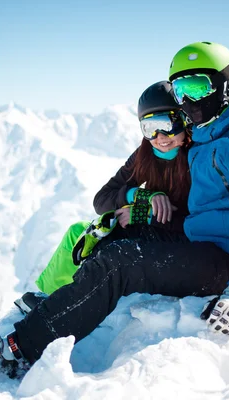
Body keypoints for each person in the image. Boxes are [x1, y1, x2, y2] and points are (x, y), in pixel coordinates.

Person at [0, 42, 229, 379]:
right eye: (181, 91)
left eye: (197, 86)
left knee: (122, 262)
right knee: (111, 235)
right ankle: (61, 308)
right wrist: (139, 205)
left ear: (225, 84)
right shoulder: (207, 131)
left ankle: (12, 352)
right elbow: (120, 195)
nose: (189, 101)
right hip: (199, 240)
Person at [28, 80, 192, 299]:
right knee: (78, 232)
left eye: (166, 124)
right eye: (149, 128)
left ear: (183, 120)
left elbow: (200, 222)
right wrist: (140, 195)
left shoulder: (197, 157)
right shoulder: (144, 156)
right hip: (149, 230)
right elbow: (101, 200)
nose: (159, 137)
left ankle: (66, 301)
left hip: (178, 241)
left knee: (101, 246)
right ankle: (48, 297)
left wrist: (143, 214)